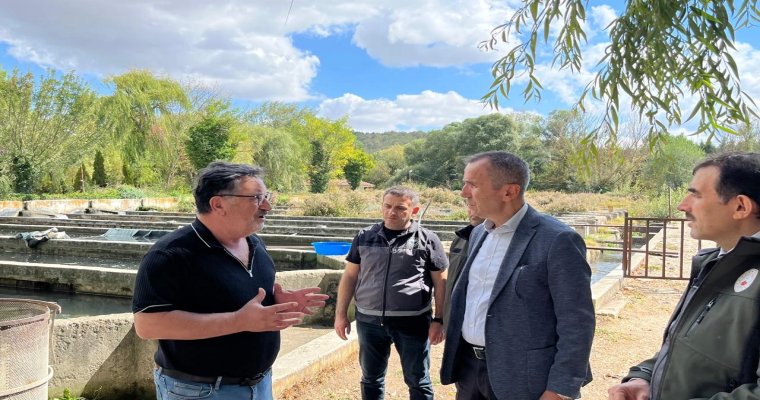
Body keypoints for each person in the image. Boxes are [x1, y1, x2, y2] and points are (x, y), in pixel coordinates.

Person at [132, 161, 328, 400]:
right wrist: (238, 321)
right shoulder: (170, 254)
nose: (267, 206)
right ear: (218, 204)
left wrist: (276, 302)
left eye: (266, 196)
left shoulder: (255, 243)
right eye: (256, 198)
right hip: (199, 392)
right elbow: (147, 325)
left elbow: (234, 299)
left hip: (260, 384)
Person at [440, 151, 595, 400]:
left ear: (509, 192)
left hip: (524, 378)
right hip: (469, 371)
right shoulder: (479, 233)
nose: (463, 193)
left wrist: (560, 389)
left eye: (473, 185)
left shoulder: (558, 239)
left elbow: (577, 321)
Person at [608, 152, 760, 400]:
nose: (683, 206)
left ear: (740, 207)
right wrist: (645, 377)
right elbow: (688, 347)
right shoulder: (714, 262)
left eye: (696, 195)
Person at [334, 186, 449, 400]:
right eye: (387, 206)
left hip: (413, 322)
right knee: (371, 378)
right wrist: (341, 314)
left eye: (400, 208)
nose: (391, 212)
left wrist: (439, 319)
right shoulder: (364, 237)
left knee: (418, 380)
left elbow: (441, 282)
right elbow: (350, 276)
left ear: (414, 211)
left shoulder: (428, 239)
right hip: (369, 321)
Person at [443, 204, 484, 329]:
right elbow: (450, 281)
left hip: (480, 324)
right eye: (470, 205)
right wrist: (443, 319)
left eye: (477, 204)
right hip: (454, 321)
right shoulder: (459, 239)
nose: (473, 210)